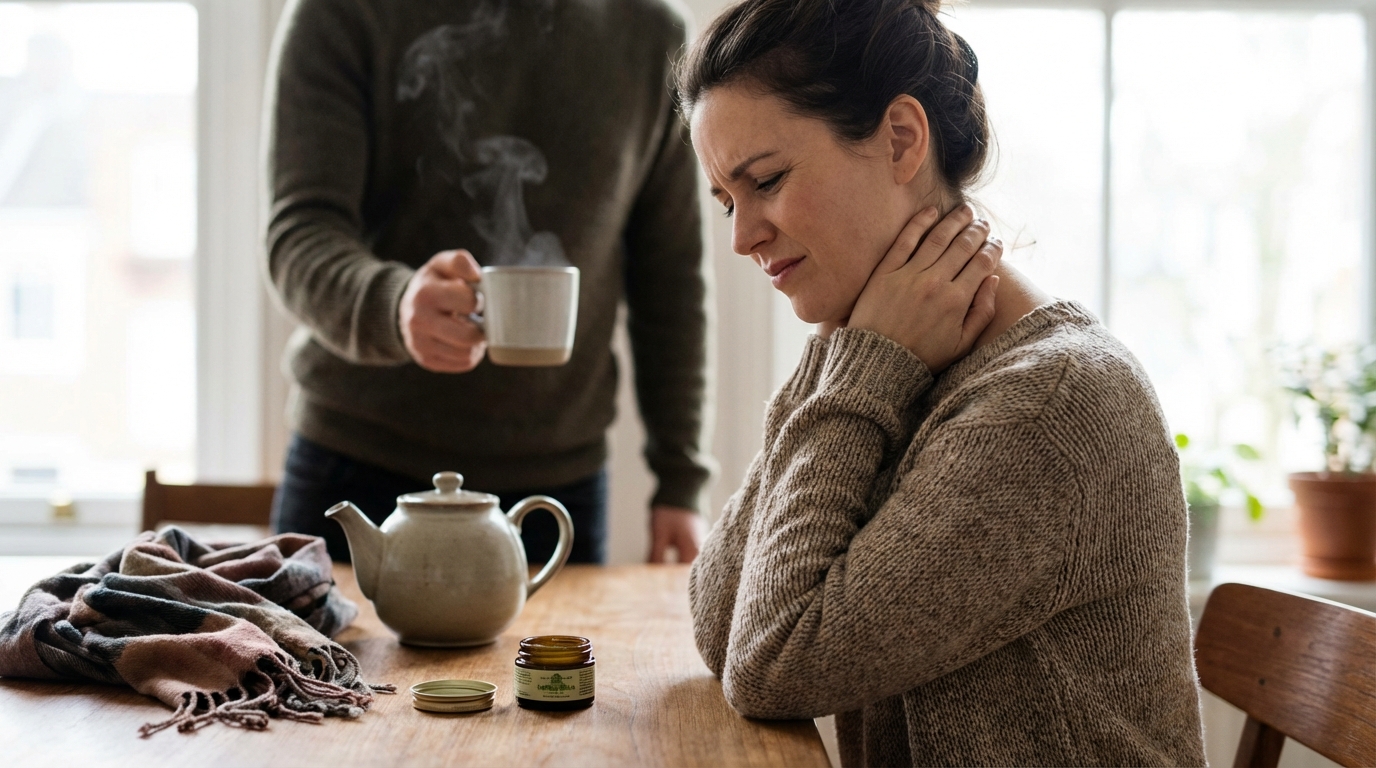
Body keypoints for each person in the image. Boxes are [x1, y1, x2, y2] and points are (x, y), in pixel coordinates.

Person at [680, 0, 1207, 765]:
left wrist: (858, 362)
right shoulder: (894, 358)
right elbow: (720, 618)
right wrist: (846, 350)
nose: (741, 236)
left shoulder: (1050, 404)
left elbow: (769, 662)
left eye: (766, 180)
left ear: (900, 139)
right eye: (728, 200)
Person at [262, 0, 712, 565]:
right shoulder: (342, 12)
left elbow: (670, 277)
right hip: (355, 466)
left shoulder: (653, 33)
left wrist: (680, 477)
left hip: (557, 492)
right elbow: (300, 233)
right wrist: (395, 306)